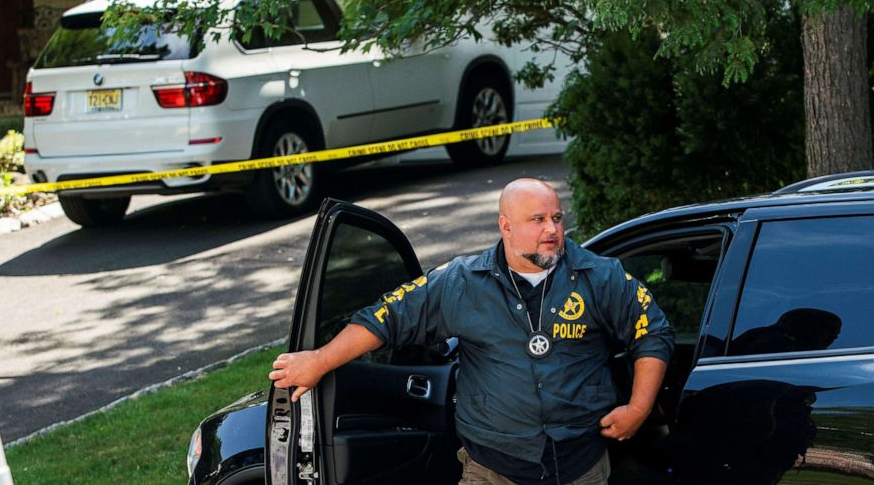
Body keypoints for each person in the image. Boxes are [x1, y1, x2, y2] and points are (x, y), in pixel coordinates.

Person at [269, 178, 675, 484]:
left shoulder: (600, 277)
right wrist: (320, 360)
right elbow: (386, 318)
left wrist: (638, 409)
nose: (551, 229)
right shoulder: (461, 282)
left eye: (556, 218)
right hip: (492, 469)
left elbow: (652, 332)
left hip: (580, 466)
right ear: (506, 226)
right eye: (537, 220)